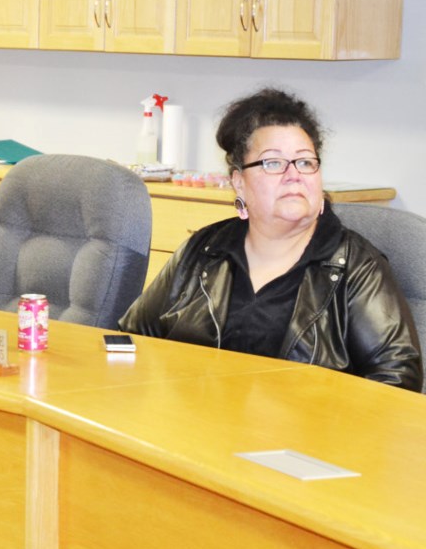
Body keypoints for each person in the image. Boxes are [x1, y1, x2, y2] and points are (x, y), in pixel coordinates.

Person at [119, 88, 423, 391]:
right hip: (191, 427)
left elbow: (397, 380)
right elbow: (130, 339)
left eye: (305, 162)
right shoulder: (204, 250)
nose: (294, 175)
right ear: (239, 181)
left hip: (307, 434)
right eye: (273, 163)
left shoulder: (355, 265)